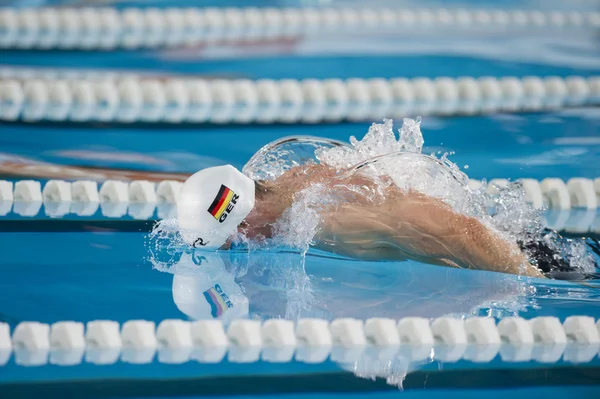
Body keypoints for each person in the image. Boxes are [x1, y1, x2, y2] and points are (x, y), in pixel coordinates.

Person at [177, 164, 549, 278]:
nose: (246, 242)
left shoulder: (329, 220)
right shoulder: (289, 178)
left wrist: (535, 280)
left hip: (525, 260)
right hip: (511, 233)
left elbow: (459, 232)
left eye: (236, 234)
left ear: (244, 214)